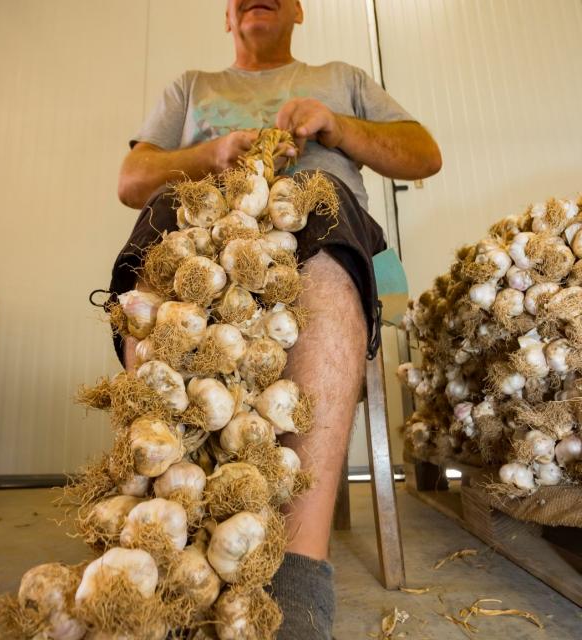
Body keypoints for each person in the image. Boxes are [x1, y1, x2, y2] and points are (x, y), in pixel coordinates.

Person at [111, 1, 441, 638]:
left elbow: (424, 154)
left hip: (321, 229)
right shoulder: (192, 87)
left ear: (298, 10)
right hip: (205, 232)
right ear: (226, 16)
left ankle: (296, 573)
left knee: (320, 205)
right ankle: (158, 536)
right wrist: (212, 154)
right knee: (156, 221)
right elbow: (131, 179)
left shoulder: (341, 78)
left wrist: (335, 128)